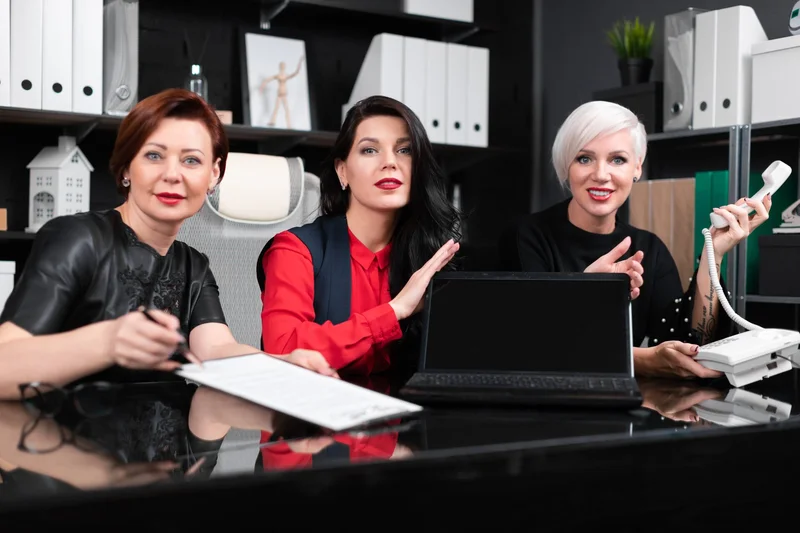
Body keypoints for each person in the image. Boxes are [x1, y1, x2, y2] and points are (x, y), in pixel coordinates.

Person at [0, 88, 336, 400]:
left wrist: (284, 365)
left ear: (214, 174)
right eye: (154, 155)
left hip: (169, 442)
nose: (173, 174)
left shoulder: (193, 264)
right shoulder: (76, 238)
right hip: (65, 437)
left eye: (191, 160)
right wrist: (108, 341)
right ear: (126, 168)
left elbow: (216, 351)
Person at [500, 100, 771, 379]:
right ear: (566, 165)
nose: (601, 175)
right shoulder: (526, 236)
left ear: (637, 168)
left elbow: (689, 346)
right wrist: (586, 293)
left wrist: (713, 255)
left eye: (617, 159)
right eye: (584, 159)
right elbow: (529, 344)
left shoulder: (650, 249)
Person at [258, 95, 461, 376]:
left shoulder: (428, 255)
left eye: (404, 150)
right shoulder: (294, 250)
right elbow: (284, 350)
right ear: (342, 171)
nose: (390, 162)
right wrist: (394, 311)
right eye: (370, 150)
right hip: (317, 404)